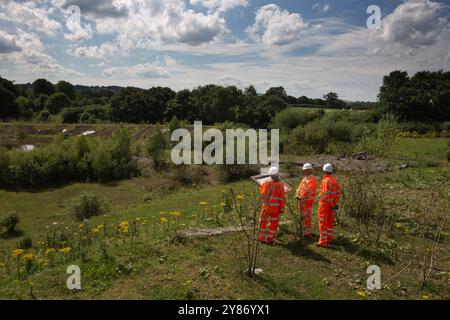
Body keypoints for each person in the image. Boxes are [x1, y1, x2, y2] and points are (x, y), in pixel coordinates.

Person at [257, 166, 285, 244]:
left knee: (263, 222)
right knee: (273, 224)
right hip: (275, 209)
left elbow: (262, 195)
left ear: (270, 175)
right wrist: (282, 208)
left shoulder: (266, 183)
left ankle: (261, 237)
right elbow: (282, 198)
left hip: (266, 207)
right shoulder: (281, 185)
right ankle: (270, 238)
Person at [316, 163, 341, 248]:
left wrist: (330, 203)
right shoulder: (335, 181)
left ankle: (323, 241)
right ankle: (329, 239)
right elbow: (338, 193)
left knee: (323, 222)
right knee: (330, 222)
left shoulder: (325, 181)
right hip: (331, 205)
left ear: (324, 171)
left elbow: (325, 195)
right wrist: (334, 204)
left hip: (324, 205)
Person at [296, 163, 318, 238]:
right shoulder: (305, 178)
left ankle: (307, 233)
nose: (304, 172)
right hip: (301, 200)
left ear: (309, 170)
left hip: (307, 201)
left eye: (305, 170)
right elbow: (299, 187)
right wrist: (297, 193)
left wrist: (301, 197)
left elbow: (307, 190)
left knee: (307, 217)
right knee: (302, 216)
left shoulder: (312, 180)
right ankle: (302, 231)